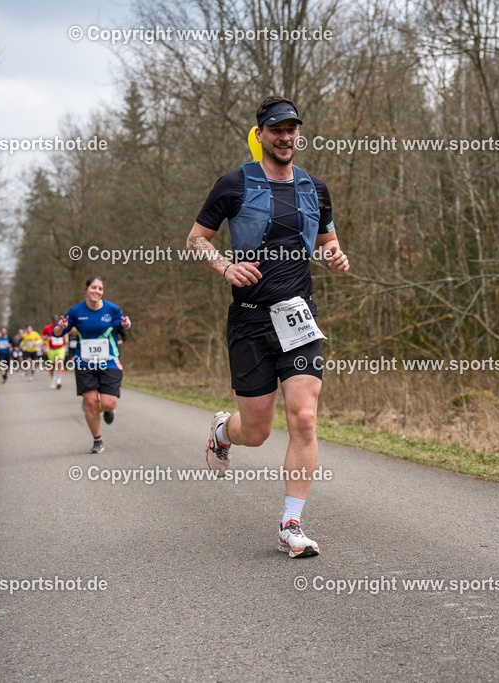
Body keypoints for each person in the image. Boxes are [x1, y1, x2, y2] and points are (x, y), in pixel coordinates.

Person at [185, 96, 350, 558]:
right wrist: (223, 267)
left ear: (299, 134)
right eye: (276, 129)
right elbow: (196, 239)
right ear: (261, 135)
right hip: (251, 320)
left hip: (298, 318)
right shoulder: (234, 183)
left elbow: (328, 240)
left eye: (292, 129)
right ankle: (223, 432)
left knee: (304, 415)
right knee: (256, 431)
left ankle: (290, 523)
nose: (285, 137)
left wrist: (334, 254)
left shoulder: (316, 188)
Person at [53, 276, 132, 454]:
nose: (97, 291)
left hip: (109, 360)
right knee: (90, 402)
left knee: (108, 403)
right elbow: (58, 333)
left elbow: (125, 324)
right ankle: (97, 440)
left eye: (100, 289)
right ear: (86, 289)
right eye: (94, 288)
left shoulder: (112, 309)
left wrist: (127, 324)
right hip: (85, 362)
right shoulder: (75, 311)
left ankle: (107, 410)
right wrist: (60, 327)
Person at [42, 314, 68, 389]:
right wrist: (47, 338)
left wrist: (66, 342)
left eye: (57, 320)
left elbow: (66, 334)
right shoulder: (47, 328)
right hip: (51, 349)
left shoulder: (62, 326)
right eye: (54, 320)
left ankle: (59, 381)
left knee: (60, 363)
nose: (56, 321)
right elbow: (42, 336)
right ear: (52, 321)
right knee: (52, 366)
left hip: (60, 348)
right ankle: (53, 379)